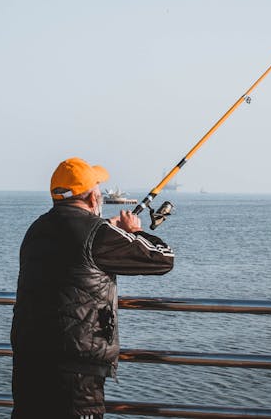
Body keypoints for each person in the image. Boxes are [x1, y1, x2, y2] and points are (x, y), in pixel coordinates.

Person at [11, 157, 174, 419]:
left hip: (29, 363)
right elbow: (163, 259)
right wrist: (135, 232)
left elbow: (73, 245)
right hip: (77, 372)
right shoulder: (98, 234)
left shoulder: (37, 229)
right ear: (92, 198)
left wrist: (107, 227)